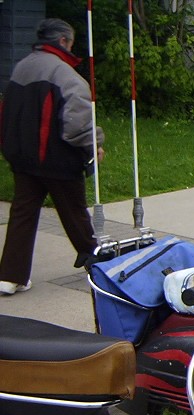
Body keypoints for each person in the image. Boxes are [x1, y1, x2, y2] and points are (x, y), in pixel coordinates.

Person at [0, 18, 103, 296]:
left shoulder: (21, 67)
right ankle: (100, 267)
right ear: (63, 41)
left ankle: (10, 277)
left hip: (23, 157)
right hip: (58, 160)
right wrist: (94, 145)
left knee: (22, 214)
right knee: (75, 214)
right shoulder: (66, 75)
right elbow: (76, 126)